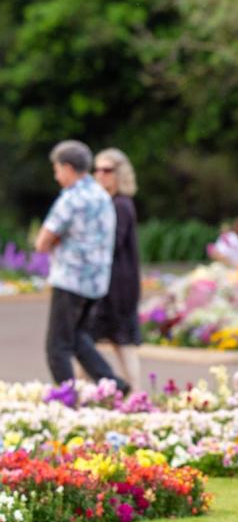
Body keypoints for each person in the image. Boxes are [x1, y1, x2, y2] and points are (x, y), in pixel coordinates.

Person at [34, 140, 128, 393]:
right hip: (96, 282)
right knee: (78, 338)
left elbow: (42, 242)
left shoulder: (71, 199)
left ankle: (67, 399)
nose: (56, 176)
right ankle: (115, 386)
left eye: (56, 170)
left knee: (57, 346)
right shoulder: (101, 196)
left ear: (67, 168)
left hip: (70, 279)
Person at [87, 148, 143, 391]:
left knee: (116, 342)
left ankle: (135, 393)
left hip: (117, 287)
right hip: (111, 285)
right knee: (95, 341)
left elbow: (109, 244)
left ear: (119, 174)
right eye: (97, 169)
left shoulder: (120, 204)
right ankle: (132, 394)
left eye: (107, 170)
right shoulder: (110, 202)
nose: (100, 174)